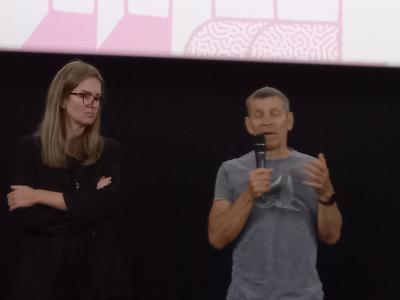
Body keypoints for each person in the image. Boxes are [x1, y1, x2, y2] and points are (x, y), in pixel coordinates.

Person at [6, 60, 130, 300]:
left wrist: (38, 195)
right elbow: (24, 215)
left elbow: (108, 204)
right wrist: (85, 207)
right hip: (44, 278)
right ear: (62, 100)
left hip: (97, 278)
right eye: (84, 95)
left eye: (97, 98)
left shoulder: (108, 151)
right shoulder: (30, 148)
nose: (92, 105)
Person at [208, 86, 342, 300]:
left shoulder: (312, 167)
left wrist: (327, 196)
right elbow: (217, 238)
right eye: (259, 115)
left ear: (289, 121)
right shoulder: (230, 170)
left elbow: (331, 236)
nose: (267, 121)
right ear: (249, 125)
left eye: (275, 113)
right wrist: (248, 195)